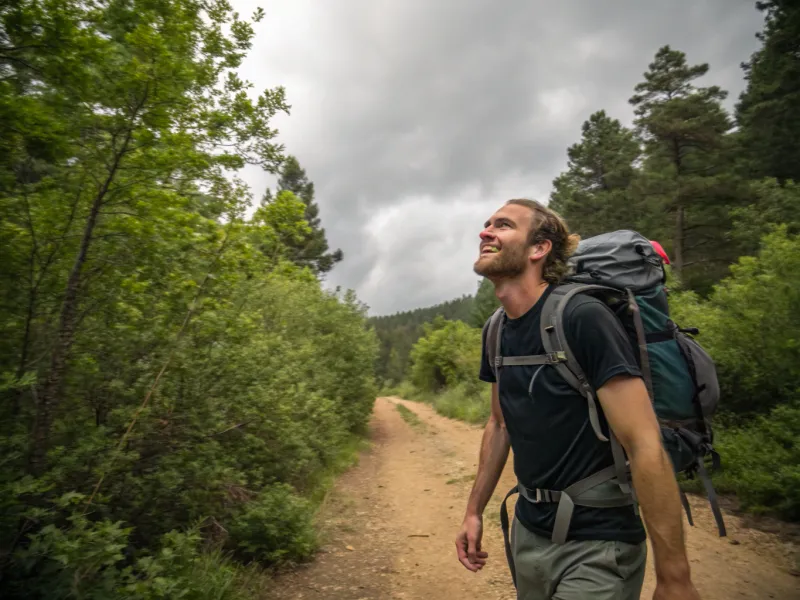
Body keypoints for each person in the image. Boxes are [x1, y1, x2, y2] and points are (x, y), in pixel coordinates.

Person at [455, 198, 701, 600]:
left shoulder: (582, 317)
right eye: (486, 224)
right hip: (529, 535)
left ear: (539, 248)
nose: (486, 232)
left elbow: (644, 444)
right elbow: (499, 425)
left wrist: (675, 577)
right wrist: (473, 511)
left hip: (599, 544)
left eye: (503, 225)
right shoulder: (496, 329)